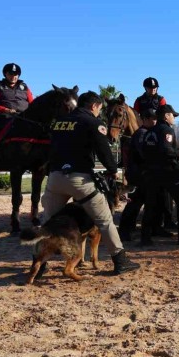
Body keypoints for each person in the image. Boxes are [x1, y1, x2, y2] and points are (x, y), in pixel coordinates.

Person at [41, 91, 140, 275]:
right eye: (99, 110)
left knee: (48, 222)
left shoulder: (59, 122)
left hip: (55, 178)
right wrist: (112, 169)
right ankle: (120, 260)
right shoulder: (93, 123)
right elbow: (104, 152)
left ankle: (39, 263)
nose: (99, 114)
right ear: (94, 106)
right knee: (105, 220)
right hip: (80, 179)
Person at [140, 104, 179, 246]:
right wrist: (178, 153)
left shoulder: (149, 131)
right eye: (173, 115)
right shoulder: (167, 130)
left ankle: (145, 237)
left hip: (151, 173)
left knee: (150, 204)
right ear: (166, 116)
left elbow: (145, 151)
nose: (173, 118)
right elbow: (165, 150)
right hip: (168, 172)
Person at [118, 108, 163, 241]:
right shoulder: (142, 134)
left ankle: (152, 229)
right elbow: (144, 154)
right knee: (135, 203)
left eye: (155, 118)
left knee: (142, 202)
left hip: (141, 173)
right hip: (139, 175)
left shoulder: (146, 133)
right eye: (152, 119)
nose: (155, 121)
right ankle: (124, 231)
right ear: (145, 120)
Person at [0, 63, 35, 168]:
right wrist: (6, 110)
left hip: (24, 118)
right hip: (5, 117)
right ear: (5, 74)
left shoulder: (24, 86)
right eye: (11, 74)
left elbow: (32, 103)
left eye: (16, 74)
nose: (14, 76)